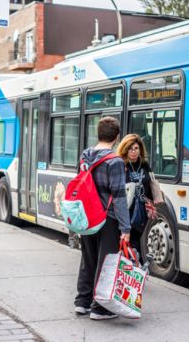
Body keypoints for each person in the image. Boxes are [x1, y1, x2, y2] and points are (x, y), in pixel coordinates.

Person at [74, 117, 130, 321]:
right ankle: (100, 307)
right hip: (107, 218)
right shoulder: (114, 161)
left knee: (88, 259)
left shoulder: (85, 156)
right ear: (116, 137)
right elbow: (119, 196)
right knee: (106, 262)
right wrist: (125, 227)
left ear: (98, 135)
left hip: (87, 216)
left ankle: (82, 302)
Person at [116, 134, 164, 260]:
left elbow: (149, 183)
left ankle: (133, 269)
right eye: (130, 148)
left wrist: (151, 203)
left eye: (136, 148)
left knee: (136, 241)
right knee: (126, 242)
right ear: (125, 149)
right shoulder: (120, 165)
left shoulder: (144, 165)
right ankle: (127, 268)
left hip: (141, 211)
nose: (133, 151)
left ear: (140, 149)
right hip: (125, 211)